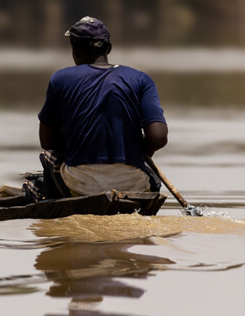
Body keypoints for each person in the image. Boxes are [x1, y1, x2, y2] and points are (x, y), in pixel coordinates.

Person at [27, 16, 168, 200]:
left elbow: (47, 142)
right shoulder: (141, 79)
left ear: (75, 52)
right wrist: (137, 147)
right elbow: (158, 137)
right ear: (108, 48)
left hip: (80, 184)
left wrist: (75, 135)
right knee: (152, 178)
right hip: (134, 184)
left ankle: (53, 208)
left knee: (48, 158)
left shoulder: (61, 79)